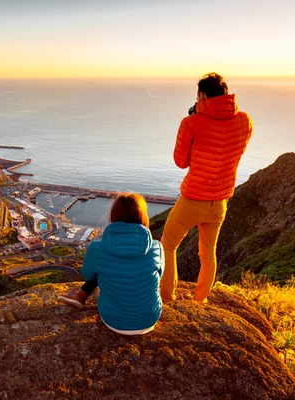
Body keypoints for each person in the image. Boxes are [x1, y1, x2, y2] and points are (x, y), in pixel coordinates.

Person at [160, 72, 253, 303]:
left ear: (201, 95)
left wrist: (194, 122)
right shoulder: (244, 121)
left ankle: (167, 298)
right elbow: (233, 150)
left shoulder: (190, 123)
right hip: (219, 201)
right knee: (208, 253)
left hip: (192, 199)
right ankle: (199, 300)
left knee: (168, 246)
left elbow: (181, 162)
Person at [58, 193, 164, 335]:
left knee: (103, 266)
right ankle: (81, 295)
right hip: (149, 319)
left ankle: (81, 295)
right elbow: (159, 274)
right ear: (143, 216)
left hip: (113, 320)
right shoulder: (156, 247)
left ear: (113, 216)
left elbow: (88, 274)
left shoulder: (97, 248)